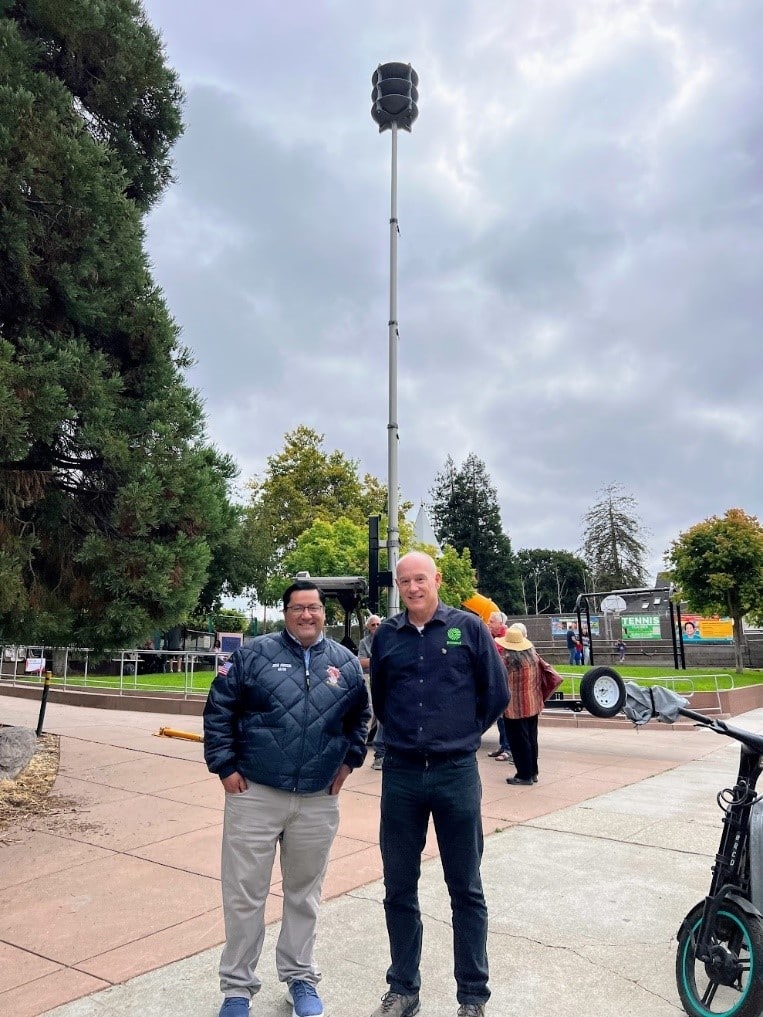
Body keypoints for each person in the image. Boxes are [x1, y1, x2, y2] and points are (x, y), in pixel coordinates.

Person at [203, 579, 371, 1017]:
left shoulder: (345, 663)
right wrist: (225, 767)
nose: (307, 615)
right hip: (255, 794)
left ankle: (300, 977)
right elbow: (219, 707)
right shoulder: (253, 655)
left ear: (324, 613)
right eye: (298, 608)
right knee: (244, 895)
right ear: (285, 613)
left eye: (314, 608)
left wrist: (348, 763)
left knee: (304, 894)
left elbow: (361, 717)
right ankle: (237, 989)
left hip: (317, 799)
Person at [369, 552, 509, 1017]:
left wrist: (463, 733)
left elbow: (497, 692)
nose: (413, 587)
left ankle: (472, 997)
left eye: (420, 579)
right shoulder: (387, 636)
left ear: (437, 580)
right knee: (398, 885)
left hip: (455, 774)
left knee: (466, 887)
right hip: (403, 776)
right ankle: (403, 989)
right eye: (405, 581)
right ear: (398, 585)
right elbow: (381, 699)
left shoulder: (469, 628)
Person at [496, 624, 545, 787]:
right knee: (532, 739)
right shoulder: (534, 657)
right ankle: (533, 772)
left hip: (514, 708)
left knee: (518, 742)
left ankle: (523, 775)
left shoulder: (506, 661)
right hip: (532, 704)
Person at [358, 614, 386, 770]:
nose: (376, 627)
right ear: (369, 627)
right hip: (369, 677)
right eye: (373, 625)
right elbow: (360, 662)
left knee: (383, 714)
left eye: (378, 624)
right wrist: (377, 659)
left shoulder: (388, 638)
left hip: (384, 678)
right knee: (370, 713)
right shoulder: (364, 642)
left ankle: (380, 753)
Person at [485, 612, 512, 762]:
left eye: (491, 621)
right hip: (498, 682)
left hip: (505, 683)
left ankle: (508, 748)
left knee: (505, 718)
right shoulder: (495, 637)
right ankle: (503, 746)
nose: (489, 624)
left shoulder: (506, 638)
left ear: (500, 623)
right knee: (501, 719)